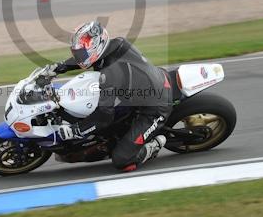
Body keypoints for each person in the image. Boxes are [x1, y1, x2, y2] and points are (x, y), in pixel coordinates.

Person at [43, 21, 173, 171]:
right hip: (145, 86)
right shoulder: (117, 43)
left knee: (122, 160)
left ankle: (153, 145)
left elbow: (104, 116)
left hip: (155, 107)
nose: (78, 57)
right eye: (77, 53)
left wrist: (76, 130)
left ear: (96, 47)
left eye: (81, 53)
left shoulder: (110, 73)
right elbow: (84, 60)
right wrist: (59, 67)